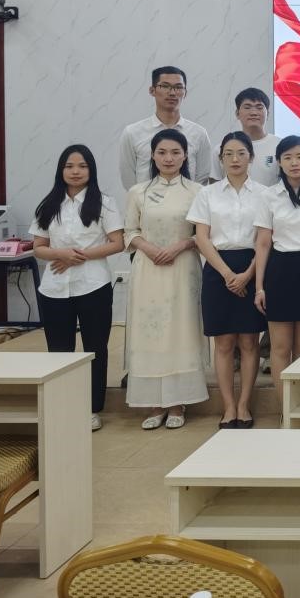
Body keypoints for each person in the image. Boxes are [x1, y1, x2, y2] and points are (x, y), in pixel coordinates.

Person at [30, 144, 125, 431]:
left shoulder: (105, 203)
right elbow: (38, 247)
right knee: (59, 349)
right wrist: (61, 254)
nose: (75, 171)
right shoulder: (48, 205)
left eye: (82, 166)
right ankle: (62, 406)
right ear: (61, 170)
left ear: (91, 170)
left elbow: (117, 243)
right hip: (54, 288)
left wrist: (77, 257)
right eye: (69, 166)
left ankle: (92, 408)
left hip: (93, 284)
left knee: (95, 348)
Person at [123, 128, 206, 429]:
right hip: (148, 269)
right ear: (152, 156)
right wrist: (148, 248)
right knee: (149, 332)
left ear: (185, 156)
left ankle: (178, 403)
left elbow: (204, 234)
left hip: (183, 268)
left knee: (180, 330)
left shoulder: (198, 192)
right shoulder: (138, 192)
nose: (168, 158)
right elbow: (129, 231)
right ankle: (154, 404)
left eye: (175, 152)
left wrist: (180, 246)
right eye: (162, 152)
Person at [188, 132, 266, 429]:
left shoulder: (264, 194)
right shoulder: (207, 194)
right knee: (222, 343)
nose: (235, 159)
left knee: (249, 341)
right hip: (217, 269)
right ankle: (228, 406)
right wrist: (227, 274)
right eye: (228, 154)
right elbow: (201, 237)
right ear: (220, 159)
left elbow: (265, 240)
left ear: (251, 157)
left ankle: (244, 405)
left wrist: (247, 274)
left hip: (253, 266)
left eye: (241, 153)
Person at [254, 136, 300, 386]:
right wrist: (259, 287)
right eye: (288, 157)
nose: (295, 163)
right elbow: (263, 243)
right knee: (281, 347)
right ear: (279, 162)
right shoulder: (269, 196)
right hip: (280, 270)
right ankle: (284, 406)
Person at [118, 66, 213, 188]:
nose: (172, 93)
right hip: (146, 199)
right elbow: (129, 180)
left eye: (178, 87)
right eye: (165, 86)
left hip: (188, 199)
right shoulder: (132, 133)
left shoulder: (199, 133)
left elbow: (201, 181)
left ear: (185, 93)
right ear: (152, 90)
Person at [223, 88, 280, 186]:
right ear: (237, 113)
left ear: (268, 114)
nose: (253, 112)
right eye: (247, 107)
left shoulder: (280, 145)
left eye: (259, 107)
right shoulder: (225, 148)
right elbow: (215, 185)